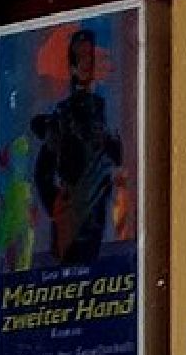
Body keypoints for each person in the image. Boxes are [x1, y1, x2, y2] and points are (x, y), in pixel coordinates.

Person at [32, 22, 122, 271]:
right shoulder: (64, 115)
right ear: (72, 66)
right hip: (72, 219)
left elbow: (118, 158)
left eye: (90, 58)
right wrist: (58, 205)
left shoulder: (104, 112)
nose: (87, 64)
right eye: (81, 58)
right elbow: (43, 170)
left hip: (98, 216)